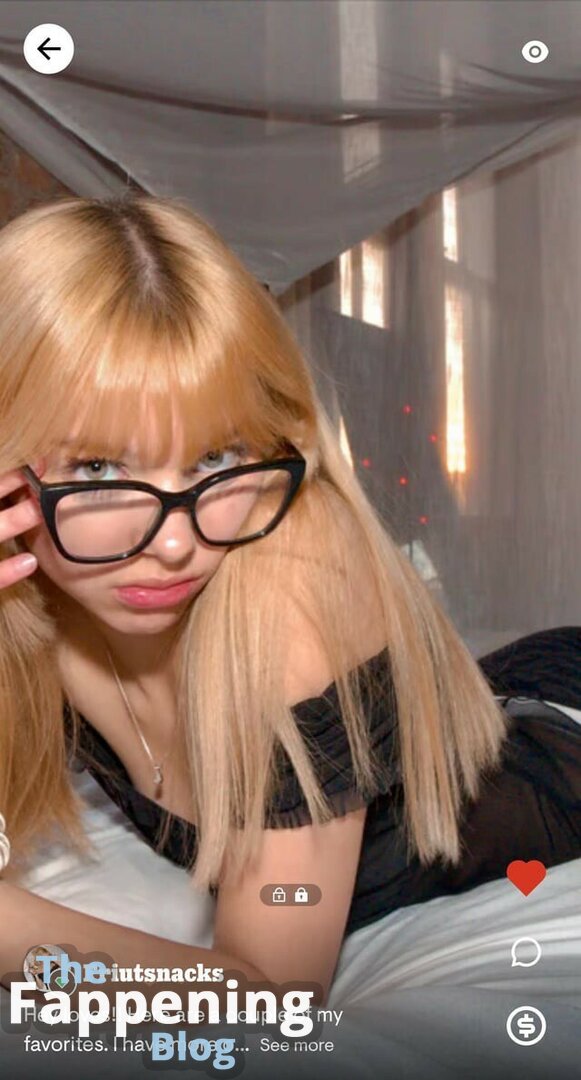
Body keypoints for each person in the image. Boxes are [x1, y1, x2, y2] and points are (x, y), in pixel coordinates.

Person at [0, 194, 579, 1011]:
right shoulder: (30, 575)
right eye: (97, 468)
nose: (175, 542)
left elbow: (270, 994)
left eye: (216, 456)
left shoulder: (287, 573)